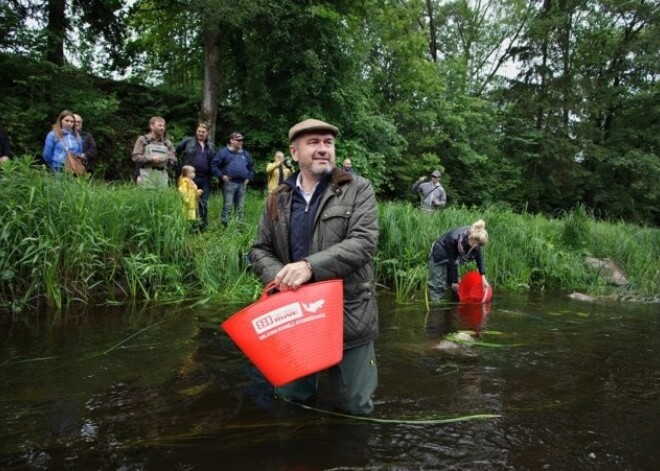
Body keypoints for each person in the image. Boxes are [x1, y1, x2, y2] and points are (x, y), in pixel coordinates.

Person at [250, 118, 379, 415]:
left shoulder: (357, 188)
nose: (323, 149)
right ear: (294, 153)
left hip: (349, 313)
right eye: (314, 143)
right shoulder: (276, 198)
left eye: (328, 143)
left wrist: (309, 266)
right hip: (294, 315)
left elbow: (363, 243)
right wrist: (279, 277)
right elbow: (259, 250)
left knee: (355, 406)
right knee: (292, 399)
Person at [427, 219, 490, 302]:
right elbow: (452, 261)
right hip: (440, 254)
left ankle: (454, 308)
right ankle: (436, 308)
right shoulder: (454, 238)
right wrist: (454, 281)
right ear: (471, 238)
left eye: (480, 245)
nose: (478, 247)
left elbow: (479, 257)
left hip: (454, 259)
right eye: (477, 244)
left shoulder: (476, 241)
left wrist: (483, 277)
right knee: (438, 285)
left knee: (457, 288)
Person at [175, 123, 217, 230]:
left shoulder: (211, 146)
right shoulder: (188, 141)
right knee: (189, 201)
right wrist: (178, 167)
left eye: (203, 132)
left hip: (205, 178)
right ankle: (188, 226)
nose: (201, 133)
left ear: (207, 133)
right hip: (189, 178)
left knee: (203, 202)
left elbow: (214, 161)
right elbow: (175, 151)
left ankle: (202, 226)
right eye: (199, 131)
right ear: (196, 132)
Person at [211, 131, 254, 226]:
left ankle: (239, 227)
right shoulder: (224, 152)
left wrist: (249, 178)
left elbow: (251, 167)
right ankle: (225, 227)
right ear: (231, 140)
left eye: (241, 140)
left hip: (242, 184)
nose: (240, 142)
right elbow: (214, 165)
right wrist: (222, 176)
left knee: (240, 208)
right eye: (238, 140)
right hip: (229, 183)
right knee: (228, 207)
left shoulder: (245, 154)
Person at [132, 116, 176, 188]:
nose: (162, 128)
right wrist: (151, 159)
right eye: (159, 125)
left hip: (162, 177)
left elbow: (174, 159)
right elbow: (135, 157)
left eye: (163, 126)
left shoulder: (167, 143)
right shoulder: (143, 140)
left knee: (162, 199)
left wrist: (168, 158)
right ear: (151, 126)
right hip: (146, 175)